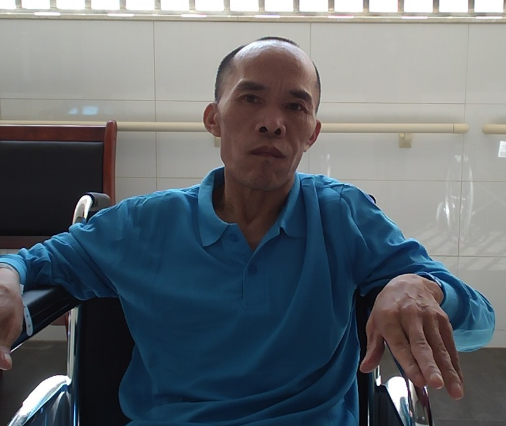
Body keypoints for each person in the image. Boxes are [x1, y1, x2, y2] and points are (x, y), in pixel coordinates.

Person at [0, 36, 495, 425]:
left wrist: (420, 286)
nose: (272, 122)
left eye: (295, 107)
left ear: (312, 133)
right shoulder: (142, 226)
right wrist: (6, 276)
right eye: (251, 98)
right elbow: (33, 262)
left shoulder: (343, 216)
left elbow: (480, 321)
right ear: (213, 118)